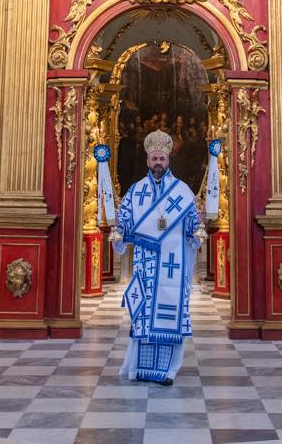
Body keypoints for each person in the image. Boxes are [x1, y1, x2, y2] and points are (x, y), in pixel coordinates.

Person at [111, 130, 204, 386]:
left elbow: (192, 225)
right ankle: (139, 368)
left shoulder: (182, 191)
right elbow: (125, 222)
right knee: (143, 313)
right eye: (154, 159)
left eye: (162, 158)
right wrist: (118, 229)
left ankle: (168, 370)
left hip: (172, 267)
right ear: (147, 160)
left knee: (169, 314)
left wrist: (197, 227)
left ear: (168, 159)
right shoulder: (135, 191)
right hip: (145, 266)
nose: (158, 163)